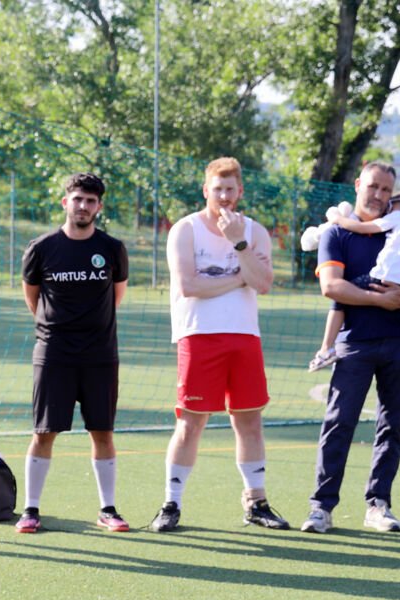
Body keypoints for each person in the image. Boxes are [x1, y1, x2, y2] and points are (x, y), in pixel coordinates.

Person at [302, 163, 400, 534]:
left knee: (392, 427)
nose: (379, 195)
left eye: (387, 189)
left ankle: (378, 505)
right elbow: (332, 288)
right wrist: (379, 300)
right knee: (338, 424)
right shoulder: (337, 233)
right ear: (358, 185)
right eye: (373, 187)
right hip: (353, 344)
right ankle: (321, 508)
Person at [150, 156, 290, 533]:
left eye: (231, 190)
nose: (224, 197)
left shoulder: (254, 232)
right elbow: (190, 286)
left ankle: (256, 501)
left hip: (244, 337)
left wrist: (239, 245)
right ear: (206, 191)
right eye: (218, 189)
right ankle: (171, 504)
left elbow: (262, 282)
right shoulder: (185, 230)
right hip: (198, 337)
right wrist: (238, 278)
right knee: (190, 424)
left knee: (249, 422)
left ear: (240, 191)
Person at [16, 172, 130, 533]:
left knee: (103, 432)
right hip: (54, 353)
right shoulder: (42, 247)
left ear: (99, 206)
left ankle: (107, 509)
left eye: (91, 201)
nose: (83, 206)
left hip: (100, 354)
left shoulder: (112, 249)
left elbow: (117, 295)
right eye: (77, 199)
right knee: (44, 432)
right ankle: (30, 510)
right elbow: (32, 297)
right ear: (65, 202)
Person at [308, 191, 400, 408]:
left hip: (384, 278)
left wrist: (337, 220)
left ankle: (325, 349)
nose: (389, 208)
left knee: (344, 293)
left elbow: (363, 228)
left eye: (393, 203)